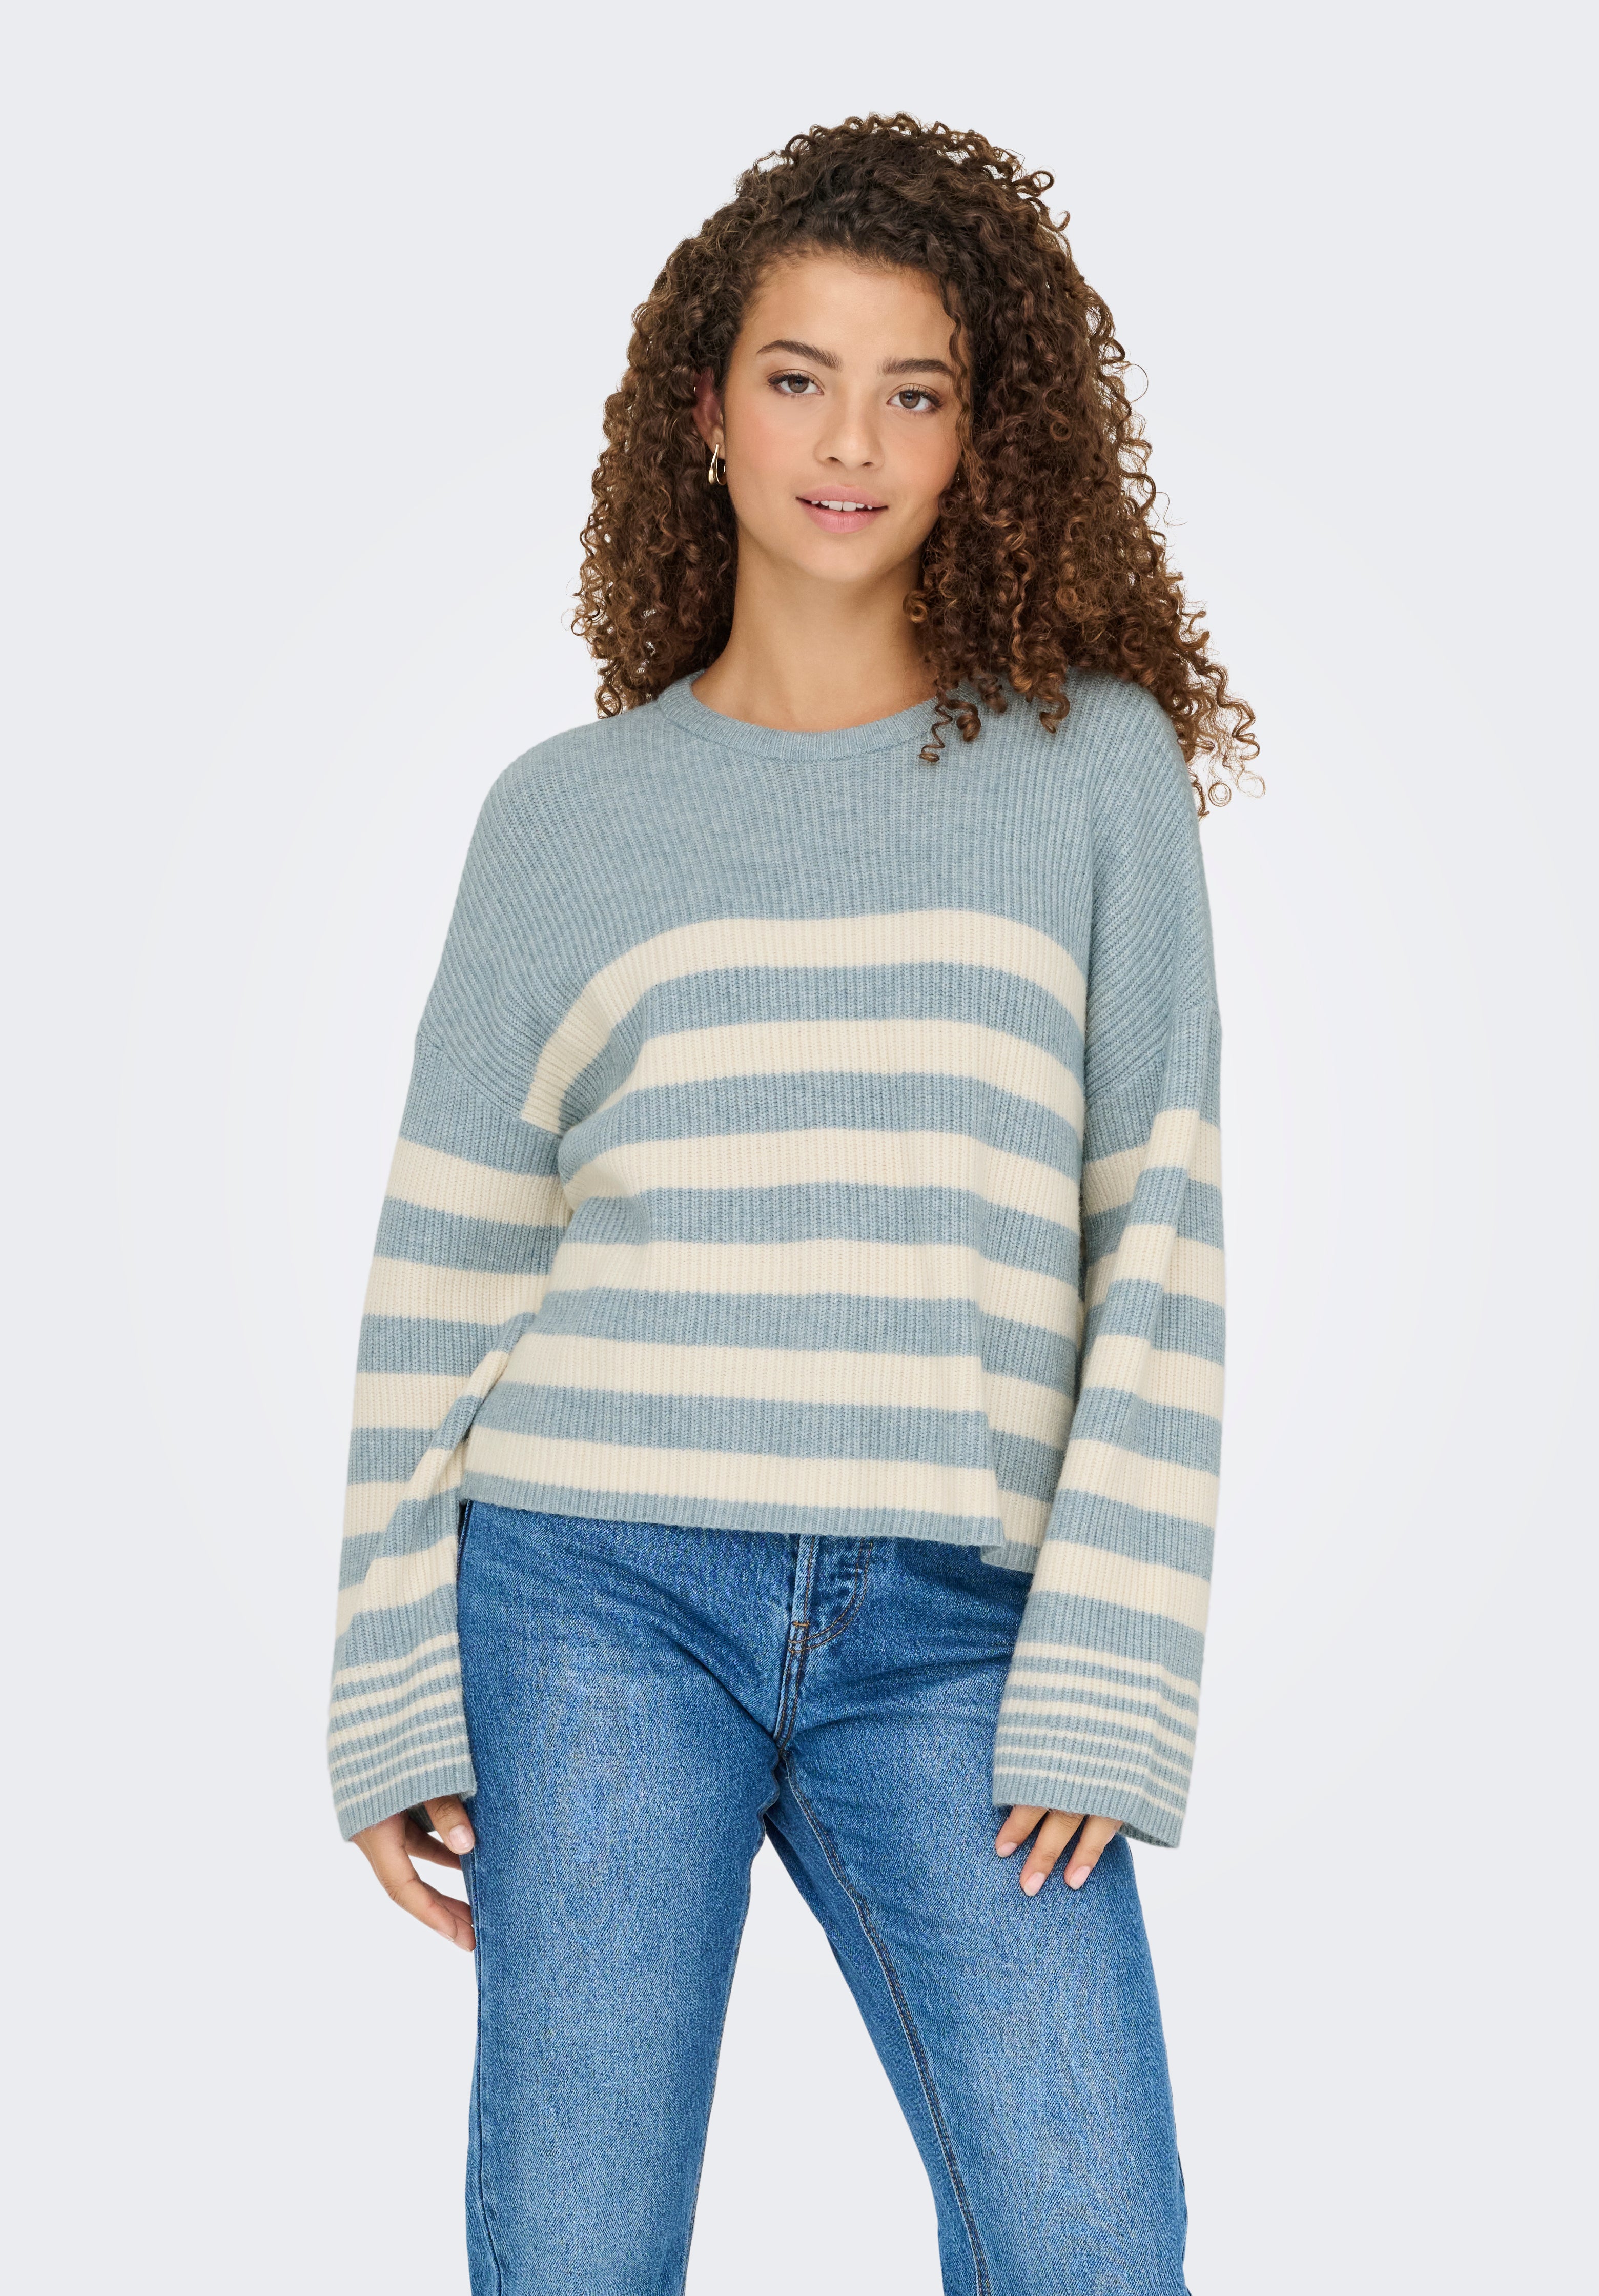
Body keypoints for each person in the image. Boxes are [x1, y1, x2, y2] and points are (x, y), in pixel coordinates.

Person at [326, 113, 1257, 2296]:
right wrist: (386, 1675)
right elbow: (447, 1262)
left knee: (1091, 2242)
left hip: (961, 1623)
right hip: (593, 1590)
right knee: (577, 2253)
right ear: (706, 410)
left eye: (914, 391)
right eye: (799, 377)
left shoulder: (1094, 773)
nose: (852, 442)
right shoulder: (565, 817)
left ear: (984, 439)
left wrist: (1115, 1656)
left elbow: (1163, 1235)